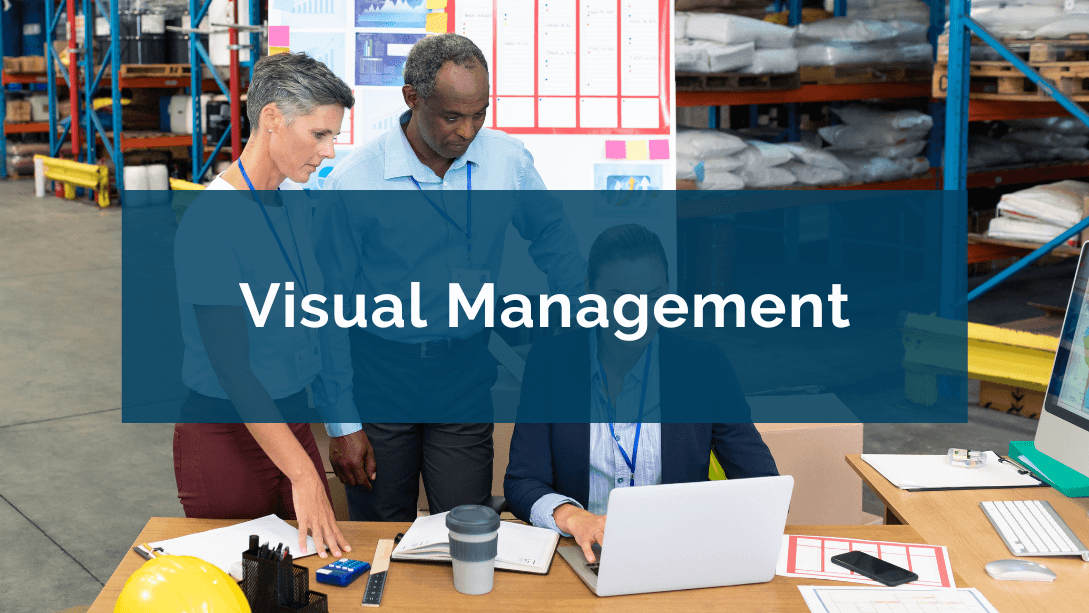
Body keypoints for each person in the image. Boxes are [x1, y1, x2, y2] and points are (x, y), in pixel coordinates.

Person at [313, 33, 586, 521]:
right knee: (381, 532)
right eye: (452, 116)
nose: (468, 131)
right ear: (412, 98)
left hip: (463, 371)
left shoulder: (507, 161)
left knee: (467, 527)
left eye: (479, 114)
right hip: (378, 376)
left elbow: (555, 239)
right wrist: (341, 424)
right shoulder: (356, 181)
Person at [504, 224, 780, 564]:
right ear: (589, 291)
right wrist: (572, 516)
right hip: (580, 554)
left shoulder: (703, 365)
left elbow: (761, 480)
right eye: (618, 297)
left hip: (678, 554)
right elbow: (522, 481)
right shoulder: (552, 363)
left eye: (651, 297)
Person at [172, 52, 354, 557]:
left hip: (291, 420)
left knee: (313, 576)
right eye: (320, 134)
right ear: (272, 118)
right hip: (225, 434)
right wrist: (305, 475)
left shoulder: (293, 202)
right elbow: (234, 371)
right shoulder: (213, 222)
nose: (330, 151)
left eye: (333, 136)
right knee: (239, 587)